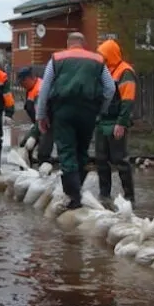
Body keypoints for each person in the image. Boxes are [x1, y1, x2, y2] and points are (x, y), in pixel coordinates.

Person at [36, 32, 115, 209]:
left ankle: (73, 197)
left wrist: (41, 115)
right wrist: (100, 109)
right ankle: (76, 192)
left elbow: (44, 89)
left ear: (68, 44)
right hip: (88, 111)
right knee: (82, 152)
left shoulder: (56, 59)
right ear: (84, 44)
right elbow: (110, 88)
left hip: (63, 111)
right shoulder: (97, 60)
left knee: (66, 151)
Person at [96, 38, 137, 205]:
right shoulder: (105, 72)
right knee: (101, 159)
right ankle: (104, 195)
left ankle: (129, 198)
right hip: (103, 121)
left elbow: (128, 100)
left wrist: (121, 122)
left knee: (120, 161)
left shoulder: (125, 72)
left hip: (116, 122)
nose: (101, 60)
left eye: (103, 57)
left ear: (110, 56)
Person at [16, 66, 54, 165]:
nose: (21, 86)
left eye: (22, 82)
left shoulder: (40, 90)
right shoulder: (31, 88)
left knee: (43, 153)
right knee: (24, 145)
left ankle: (45, 170)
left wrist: (34, 135)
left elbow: (42, 116)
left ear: (29, 78)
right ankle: (29, 165)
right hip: (39, 123)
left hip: (49, 124)